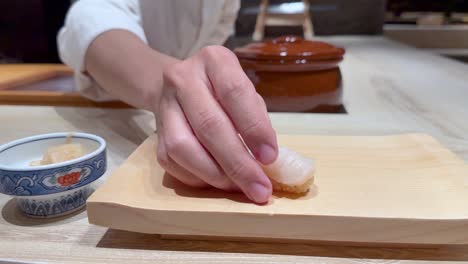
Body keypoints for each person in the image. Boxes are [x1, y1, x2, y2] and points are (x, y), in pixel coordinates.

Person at [58, 0, 278, 204]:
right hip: (109, 125)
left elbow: (210, 42)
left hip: (173, 129)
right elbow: (89, 15)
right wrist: (163, 88)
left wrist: (198, 95)